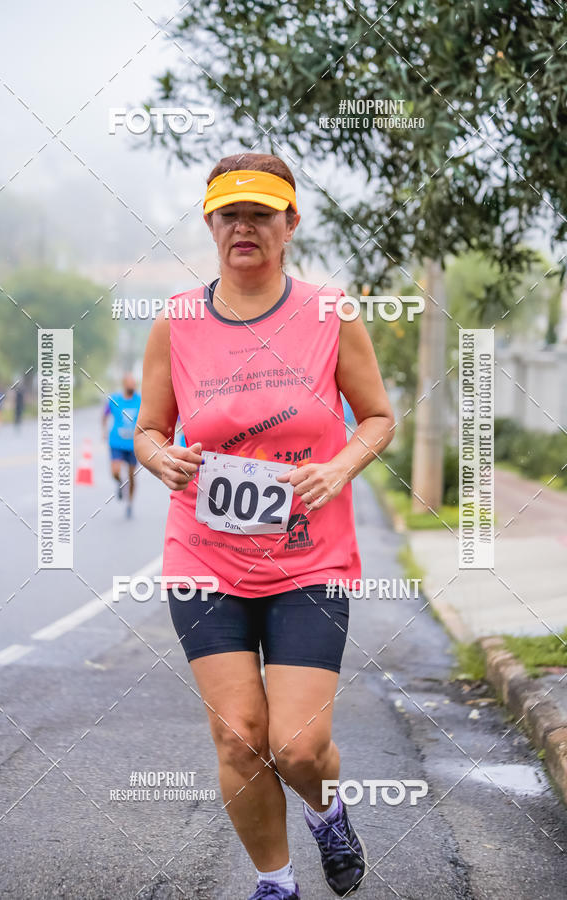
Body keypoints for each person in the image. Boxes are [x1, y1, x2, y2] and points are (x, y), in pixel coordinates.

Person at [134, 153, 395, 899]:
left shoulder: (330, 313)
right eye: (228, 214)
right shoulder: (178, 322)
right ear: (210, 224)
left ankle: (327, 811)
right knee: (242, 737)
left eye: (261, 213)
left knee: (300, 745)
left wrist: (339, 467)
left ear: (290, 225)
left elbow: (377, 417)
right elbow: (151, 429)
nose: (243, 226)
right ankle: (275, 883)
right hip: (204, 558)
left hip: (308, 559)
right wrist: (161, 459)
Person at [102, 373, 141, 519]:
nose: (132, 386)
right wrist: (104, 430)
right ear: (124, 384)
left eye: (134, 383)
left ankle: (130, 503)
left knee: (132, 475)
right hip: (117, 442)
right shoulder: (114, 399)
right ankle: (119, 483)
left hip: (133, 445)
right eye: (130, 383)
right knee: (115, 471)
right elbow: (105, 415)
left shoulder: (140, 400)